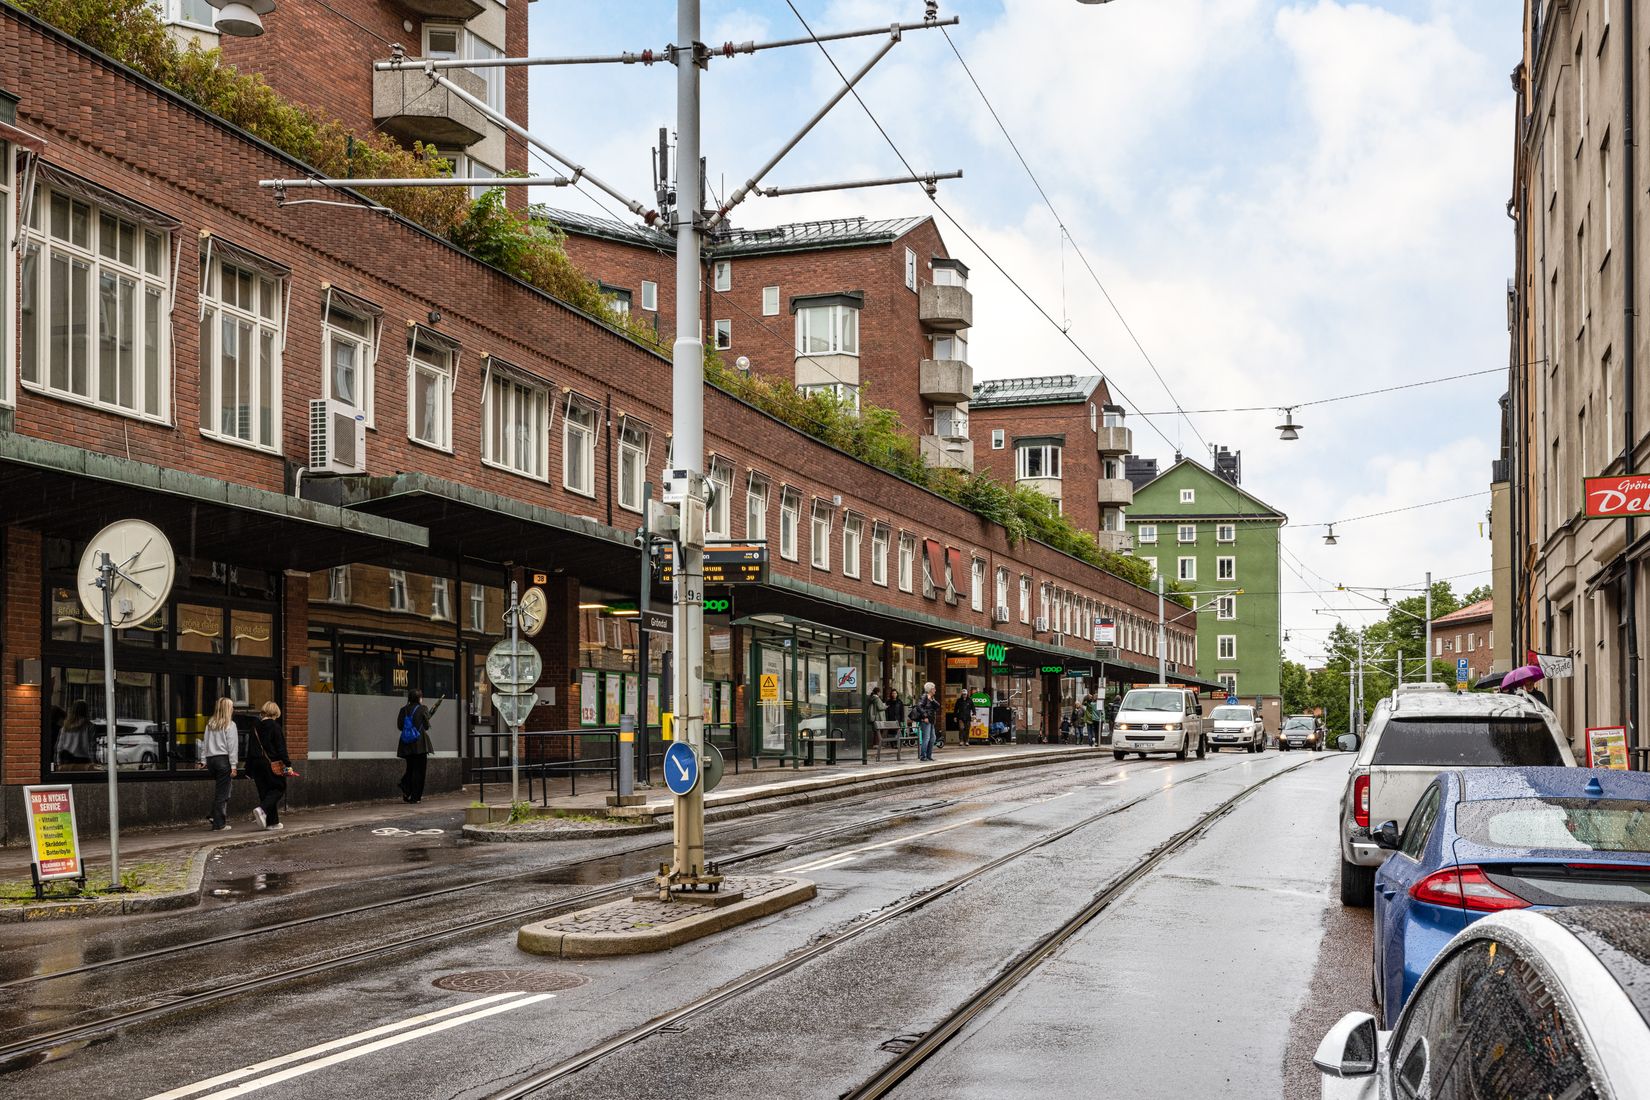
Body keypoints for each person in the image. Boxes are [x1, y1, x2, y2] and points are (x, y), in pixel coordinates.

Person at [246, 701, 294, 831]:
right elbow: (281, 748)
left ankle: (273, 823)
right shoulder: (275, 727)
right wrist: (288, 765)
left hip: (256, 765)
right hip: (271, 764)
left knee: (265, 792)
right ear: (275, 713)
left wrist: (248, 769)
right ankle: (262, 810)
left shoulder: (255, 727)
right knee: (279, 787)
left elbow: (250, 749)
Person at [396, 689, 442, 803]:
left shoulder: (403, 710)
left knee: (410, 768)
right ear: (419, 698)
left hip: (407, 743)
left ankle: (406, 787)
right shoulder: (423, 709)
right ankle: (415, 796)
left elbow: (400, 726)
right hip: (420, 743)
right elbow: (426, 726)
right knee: (419, 771)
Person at [202, 697, 238, 831]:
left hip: (211, 760)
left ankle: (213, 815)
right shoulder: (230, 725)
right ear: (227, 709)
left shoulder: (210, 724)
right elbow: (232, 747)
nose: (233, 709)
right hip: (223, 760)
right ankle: (219, 824)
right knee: (222, 793)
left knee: (223, 790)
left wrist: (203, 760)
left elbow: (204, 743)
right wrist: (234, 766)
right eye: (232, 707)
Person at [57, 701, 93, 769]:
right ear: (86, 711)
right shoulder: (89, 726)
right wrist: (93, 763)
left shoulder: (65, 727)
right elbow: (92, 747)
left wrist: (58, 762)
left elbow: (59, 747)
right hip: (83, 761)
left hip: (66, 761)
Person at [913, 682, 940, 761]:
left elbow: (937, 706)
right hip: (926, 720)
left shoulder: (931, 697)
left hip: (931, 720)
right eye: (934, 688)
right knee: (926, 738)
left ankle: (929, 755)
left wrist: (931, 700)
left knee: (933, 738)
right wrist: (924, 716)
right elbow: (919, 707)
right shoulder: (924, 696)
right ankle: (923, 756)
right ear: (930, 689)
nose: (935, 690)